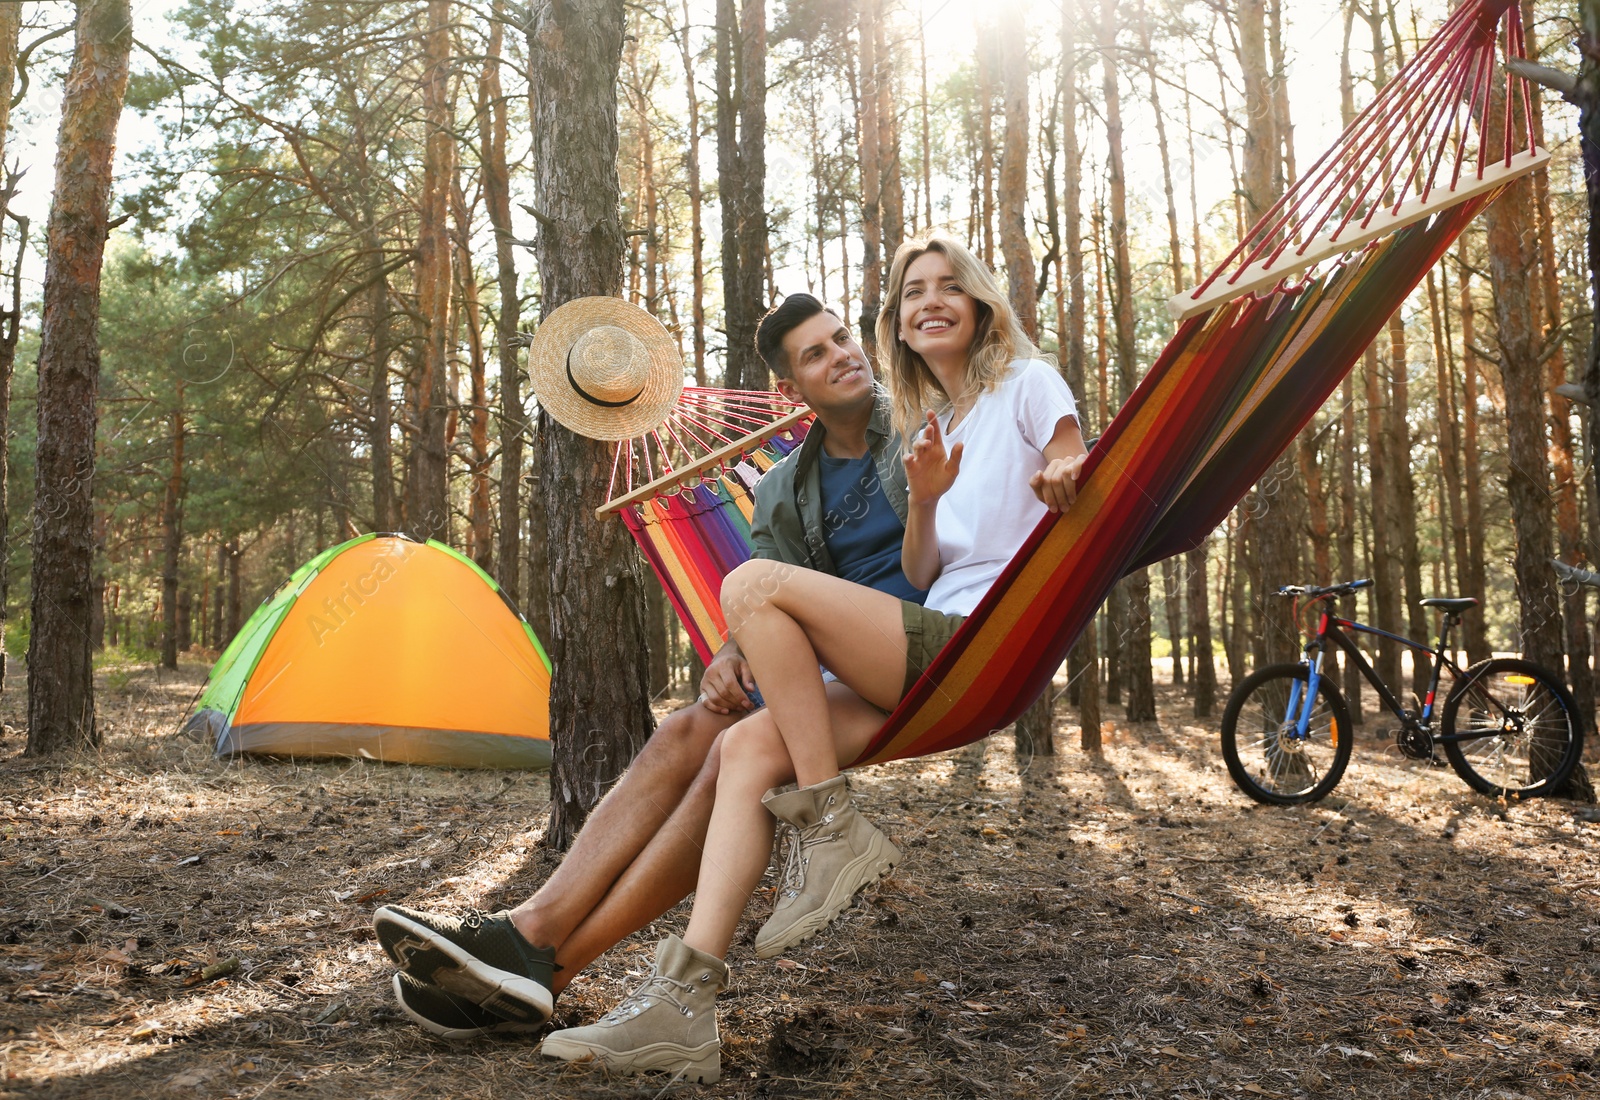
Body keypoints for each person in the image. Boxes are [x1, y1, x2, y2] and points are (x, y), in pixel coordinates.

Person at [539, 235, 1088, 1083]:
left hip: (975, 649)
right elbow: (921, 570)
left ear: (980, 303)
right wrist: (929, 498)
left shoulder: (1023, 379)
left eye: (949, 286)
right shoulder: (935, 426)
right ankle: (682, 1003)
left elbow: (1064, 449)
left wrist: (1067, 466)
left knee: (752, 584)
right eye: (912, 293)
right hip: (924, 649)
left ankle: (830, 825)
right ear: (898, 324)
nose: (930, 302)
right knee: (744, 746)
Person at [372, 292, 926, 1040]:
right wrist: (730, 654)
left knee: (734, 756)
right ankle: (537, 955)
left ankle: (538, 947)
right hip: (824, 678)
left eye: (841, 338)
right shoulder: (782, 488)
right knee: (692, 730)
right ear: (791, 391)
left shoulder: (924, 423)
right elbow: (771, 580)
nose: (844, 355)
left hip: (918, 659)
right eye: (818, 353)